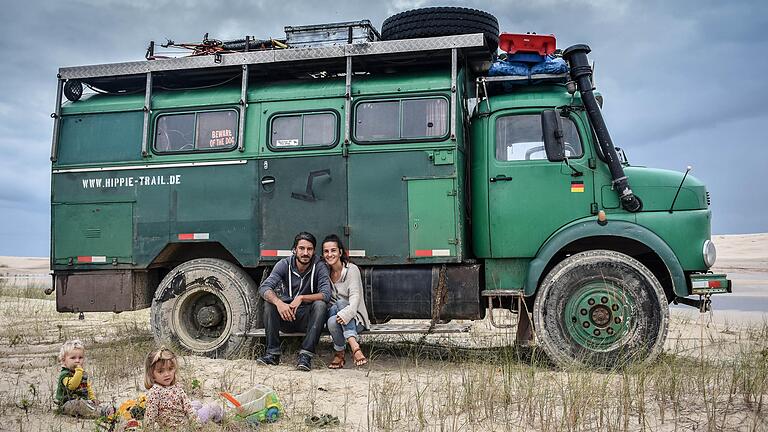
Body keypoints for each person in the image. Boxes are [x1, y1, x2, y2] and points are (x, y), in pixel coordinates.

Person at [257, 232, 331, 371]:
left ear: (313, 251)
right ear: (295, 249)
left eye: (309, 249)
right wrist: (279, 303)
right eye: (301, 248)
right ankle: (272, 354)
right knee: (269, 304)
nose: (305, 253)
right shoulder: (284, 264)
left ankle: (306, 356)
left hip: (306, 317)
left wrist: (302, 297)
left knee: (320, 305)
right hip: (287, 315)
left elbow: (326, 294)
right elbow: (264, 288)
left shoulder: (319, 265)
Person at [322, 234, 371, 368]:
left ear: (340, 252)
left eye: (333, 250)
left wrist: (346, 313)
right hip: (335, 316)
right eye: (326, 251)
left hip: (356, 319)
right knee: (334, 317)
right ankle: (353, 347)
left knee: (341, 304)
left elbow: (355, 297)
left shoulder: (351, 270)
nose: (329, 254)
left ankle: (342, 353)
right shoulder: (324, 273)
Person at [143, 347, 222, 429]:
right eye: (161, 371)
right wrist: (197, 426)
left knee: (197, 403)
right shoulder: (169, 390)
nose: (167, 374)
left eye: (170, 369)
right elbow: (189, 410)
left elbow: (150, 417)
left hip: (173, 422)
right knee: (214, 407)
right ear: (151, 374)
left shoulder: (155, 391)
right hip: (186, 426)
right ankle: (221, 420)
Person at [55, 339, 113, 418]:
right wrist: (79, 371)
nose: (77, 361)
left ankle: (107, 410)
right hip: (67, 403)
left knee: (89, 404)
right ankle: (102, 414)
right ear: (64, 360)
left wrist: (93, 398)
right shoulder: (65, 374)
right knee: (79, 405)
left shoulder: (81, 373)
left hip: (82, 401)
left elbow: (87, 386)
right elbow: (72, 386)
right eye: (73, 358)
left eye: (80, 358)